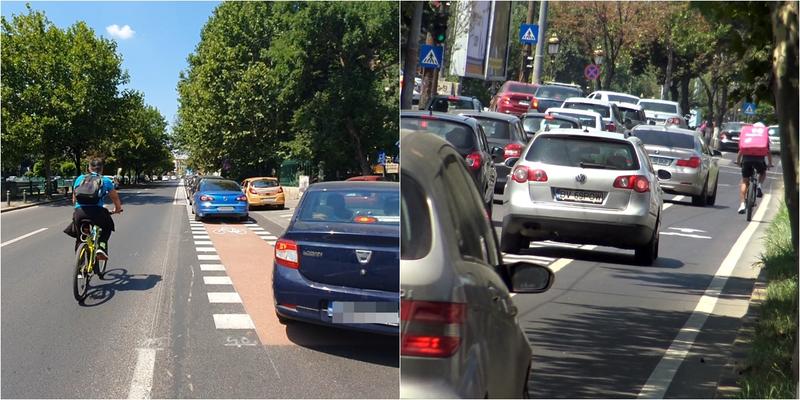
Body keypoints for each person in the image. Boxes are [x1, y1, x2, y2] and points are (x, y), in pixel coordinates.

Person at [64, 158, 123, 261]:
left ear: (89, 168)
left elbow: (74, 199)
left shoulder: (80, 179)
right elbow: (115, 197)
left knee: (80, 237)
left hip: (80, 212)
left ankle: (79, 266)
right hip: (97, 213)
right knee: (107, 227)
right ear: (102, 169)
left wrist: (78, 208)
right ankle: (101, 247)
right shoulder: (105, 181)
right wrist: (117, 209)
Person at [736, 122, 773, 214]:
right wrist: (770, 163)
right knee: (763, 172)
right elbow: (768, 152)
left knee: (745, 181)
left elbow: (741, 151)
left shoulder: (749, 135)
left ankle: (742, 204)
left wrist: (738, 161)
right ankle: (759, 186)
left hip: (746, 160)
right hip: (759, 161)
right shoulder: (763, 137)